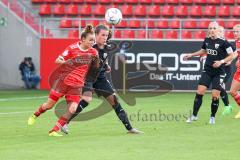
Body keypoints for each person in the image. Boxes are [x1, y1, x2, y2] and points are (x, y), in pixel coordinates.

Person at [61, 24, 143, 134]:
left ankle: (130, 128)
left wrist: (106, 66)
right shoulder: (90, 48)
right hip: (88, 78)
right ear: (95, 35)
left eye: (106, 35)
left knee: (114, 101)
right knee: (86, 100)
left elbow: (104, 60)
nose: (105, 37)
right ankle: (65, 123)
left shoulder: (106, 48)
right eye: (102, 35)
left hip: (101, 79)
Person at [27, 24, 99, 137]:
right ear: (83, 39)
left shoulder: (94, 52)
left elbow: (95, 67)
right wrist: (69, 62)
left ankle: (54, 130)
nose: (92, 42)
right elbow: (58, 60)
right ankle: (35, 115)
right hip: (63, 82)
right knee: (49, 105)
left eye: (93, 40)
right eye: (90, 40)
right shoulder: (72, 48)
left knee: (73, 109)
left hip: (77, 85)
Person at [184, 21, 235, 124]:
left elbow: (232, 55)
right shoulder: (206, 40)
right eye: (210, 28)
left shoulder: (224, 42)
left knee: (215, 95)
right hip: (207, 70)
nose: (211, 30)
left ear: (217, 30)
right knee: (199, 92)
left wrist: (221, 61)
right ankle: (194, 115)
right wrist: (192, 55)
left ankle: (212, 117)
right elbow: (203, 51)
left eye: (214, 28)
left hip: (219, 72)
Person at [229, 24, 240, 119]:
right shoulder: (237, 41)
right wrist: (229, 60)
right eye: (234, 31)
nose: (235, 33)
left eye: (237, 31)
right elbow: (237, 53)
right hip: (239, 70)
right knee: (232, 91)